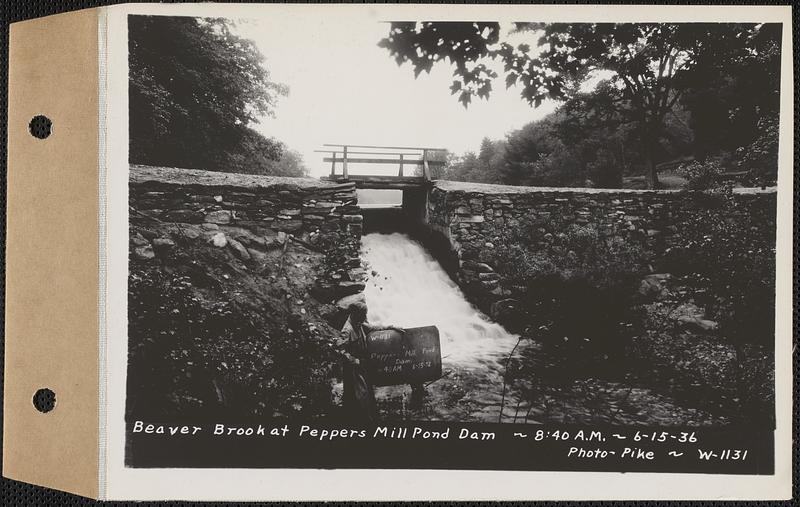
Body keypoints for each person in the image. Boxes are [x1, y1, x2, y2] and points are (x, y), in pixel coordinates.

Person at [340, 302, 424, 420]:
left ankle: (368, 417)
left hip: (362, 365)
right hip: (353, 369)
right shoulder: (347, 330)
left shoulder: (358, 323)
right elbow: (340, 351)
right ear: (355, 314)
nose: (365, 317)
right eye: (363, 314)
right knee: (360, 396)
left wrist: (390, 327)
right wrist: (354, 361)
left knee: (366, 395)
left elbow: (373, 328)